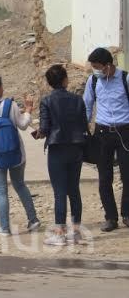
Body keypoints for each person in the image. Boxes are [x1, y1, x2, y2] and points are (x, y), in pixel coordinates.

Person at [0, 75, 41, 236]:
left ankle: (4, 228)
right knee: (20, 185)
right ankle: (33, 220)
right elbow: (23, 125)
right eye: (1, 86)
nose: (3, 89)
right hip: (17, 154)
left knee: (0, 191)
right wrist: (28, 110)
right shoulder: (10, 105)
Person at [34, 64, 88, 246]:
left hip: (57, 149)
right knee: (74, 190)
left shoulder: (47, 101)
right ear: (65, 79)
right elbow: (84, 123)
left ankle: (60, 234)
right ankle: (76, 232)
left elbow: (44, 128)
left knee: (60, 192)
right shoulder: (78, 99)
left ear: (50, 83)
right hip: (76, 148)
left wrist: (39, 133)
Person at [82, 47, 129, 232]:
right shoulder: (93, 81)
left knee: (127, 175)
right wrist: (84, 130)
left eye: (97, 67)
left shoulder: (125, 79)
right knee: (104, 177)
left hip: (125, 132)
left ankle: (127, 214)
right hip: (102, 133)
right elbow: (87, 106)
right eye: (93, 67)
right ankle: (110, 217)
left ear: (108, 65)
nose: (95, 70)